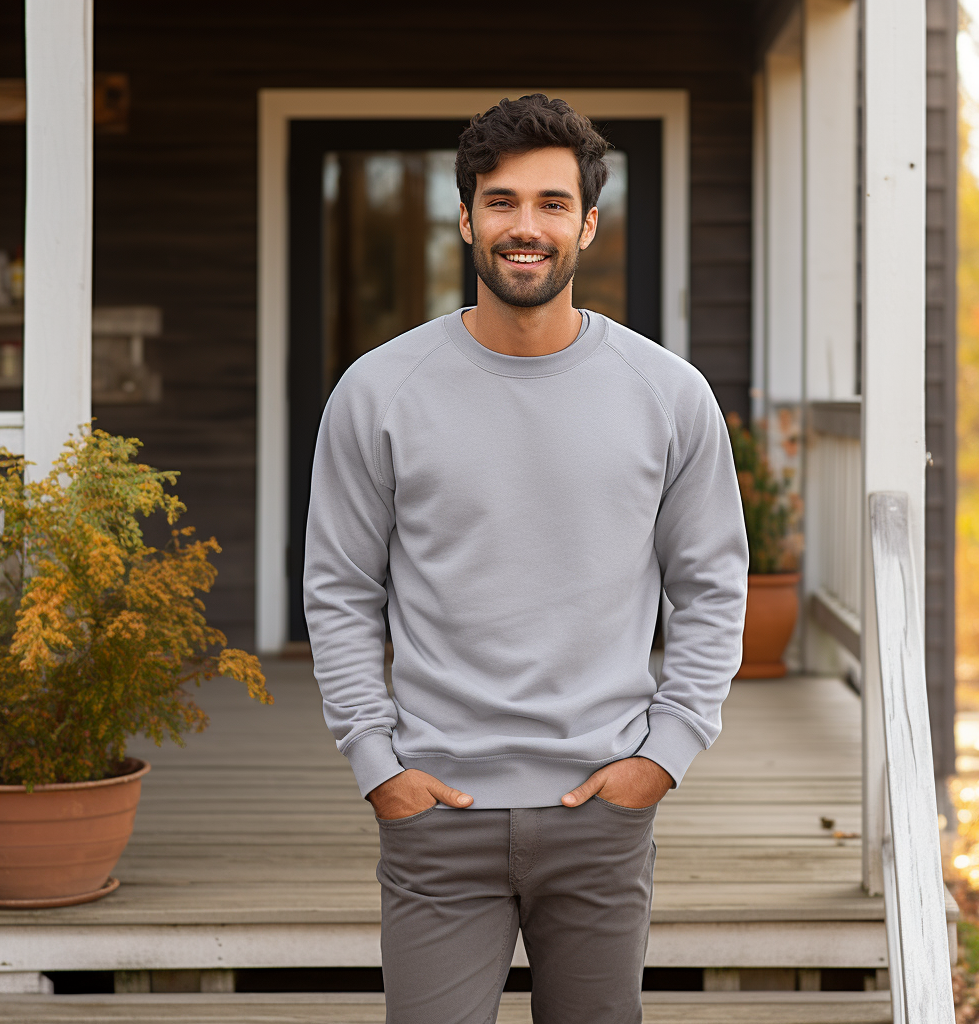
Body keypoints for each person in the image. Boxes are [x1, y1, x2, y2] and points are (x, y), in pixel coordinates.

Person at [303, 93, 748, 1024]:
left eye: (552, 204)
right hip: (436, 814)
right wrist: (377, 764)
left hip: (603, 808)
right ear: (465, 218)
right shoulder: (377, 391)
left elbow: (711, 586)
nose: (525, 227)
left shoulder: (667, 393)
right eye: (501, 201)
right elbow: (341, 589)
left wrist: (662, 756)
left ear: (588, 224)